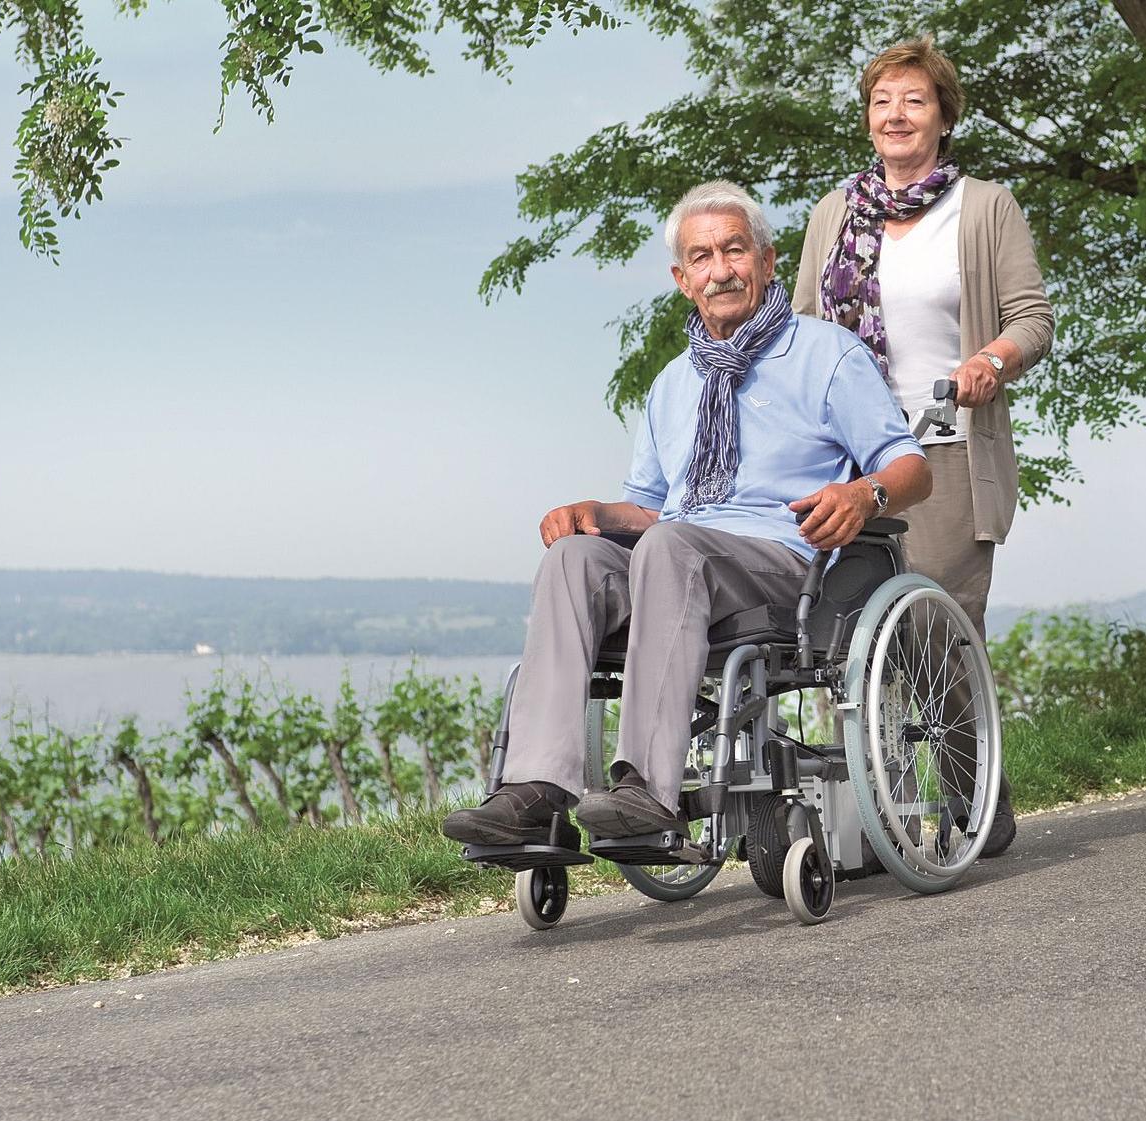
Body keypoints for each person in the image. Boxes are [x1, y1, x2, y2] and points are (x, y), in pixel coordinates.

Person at [442, 180, 930, 847]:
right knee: (574, 557)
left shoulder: (826, 354)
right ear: (681, 278)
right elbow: (647, 507)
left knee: (672, 546)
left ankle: (645, 784)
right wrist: (594, 511)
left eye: (734, 250)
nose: (720, 269)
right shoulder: (674, 383)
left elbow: (909, 466)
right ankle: (537, 791)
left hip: (783, 563)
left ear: (767, 260)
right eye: (702, 257)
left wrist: (862, 493)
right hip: (676, 557)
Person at [792, 36, 1055, 854]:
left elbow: (1031, 320)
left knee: (938, 630)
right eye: (881, 101)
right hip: (850, 453)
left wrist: (989, 360)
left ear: (942, 115)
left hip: (943, 445)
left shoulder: (982, 207)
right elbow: (798, 330)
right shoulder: (834, 212)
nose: (895, 114)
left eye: (912, 99)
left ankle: (974, 793)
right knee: (855, 643)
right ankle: (881, 819)